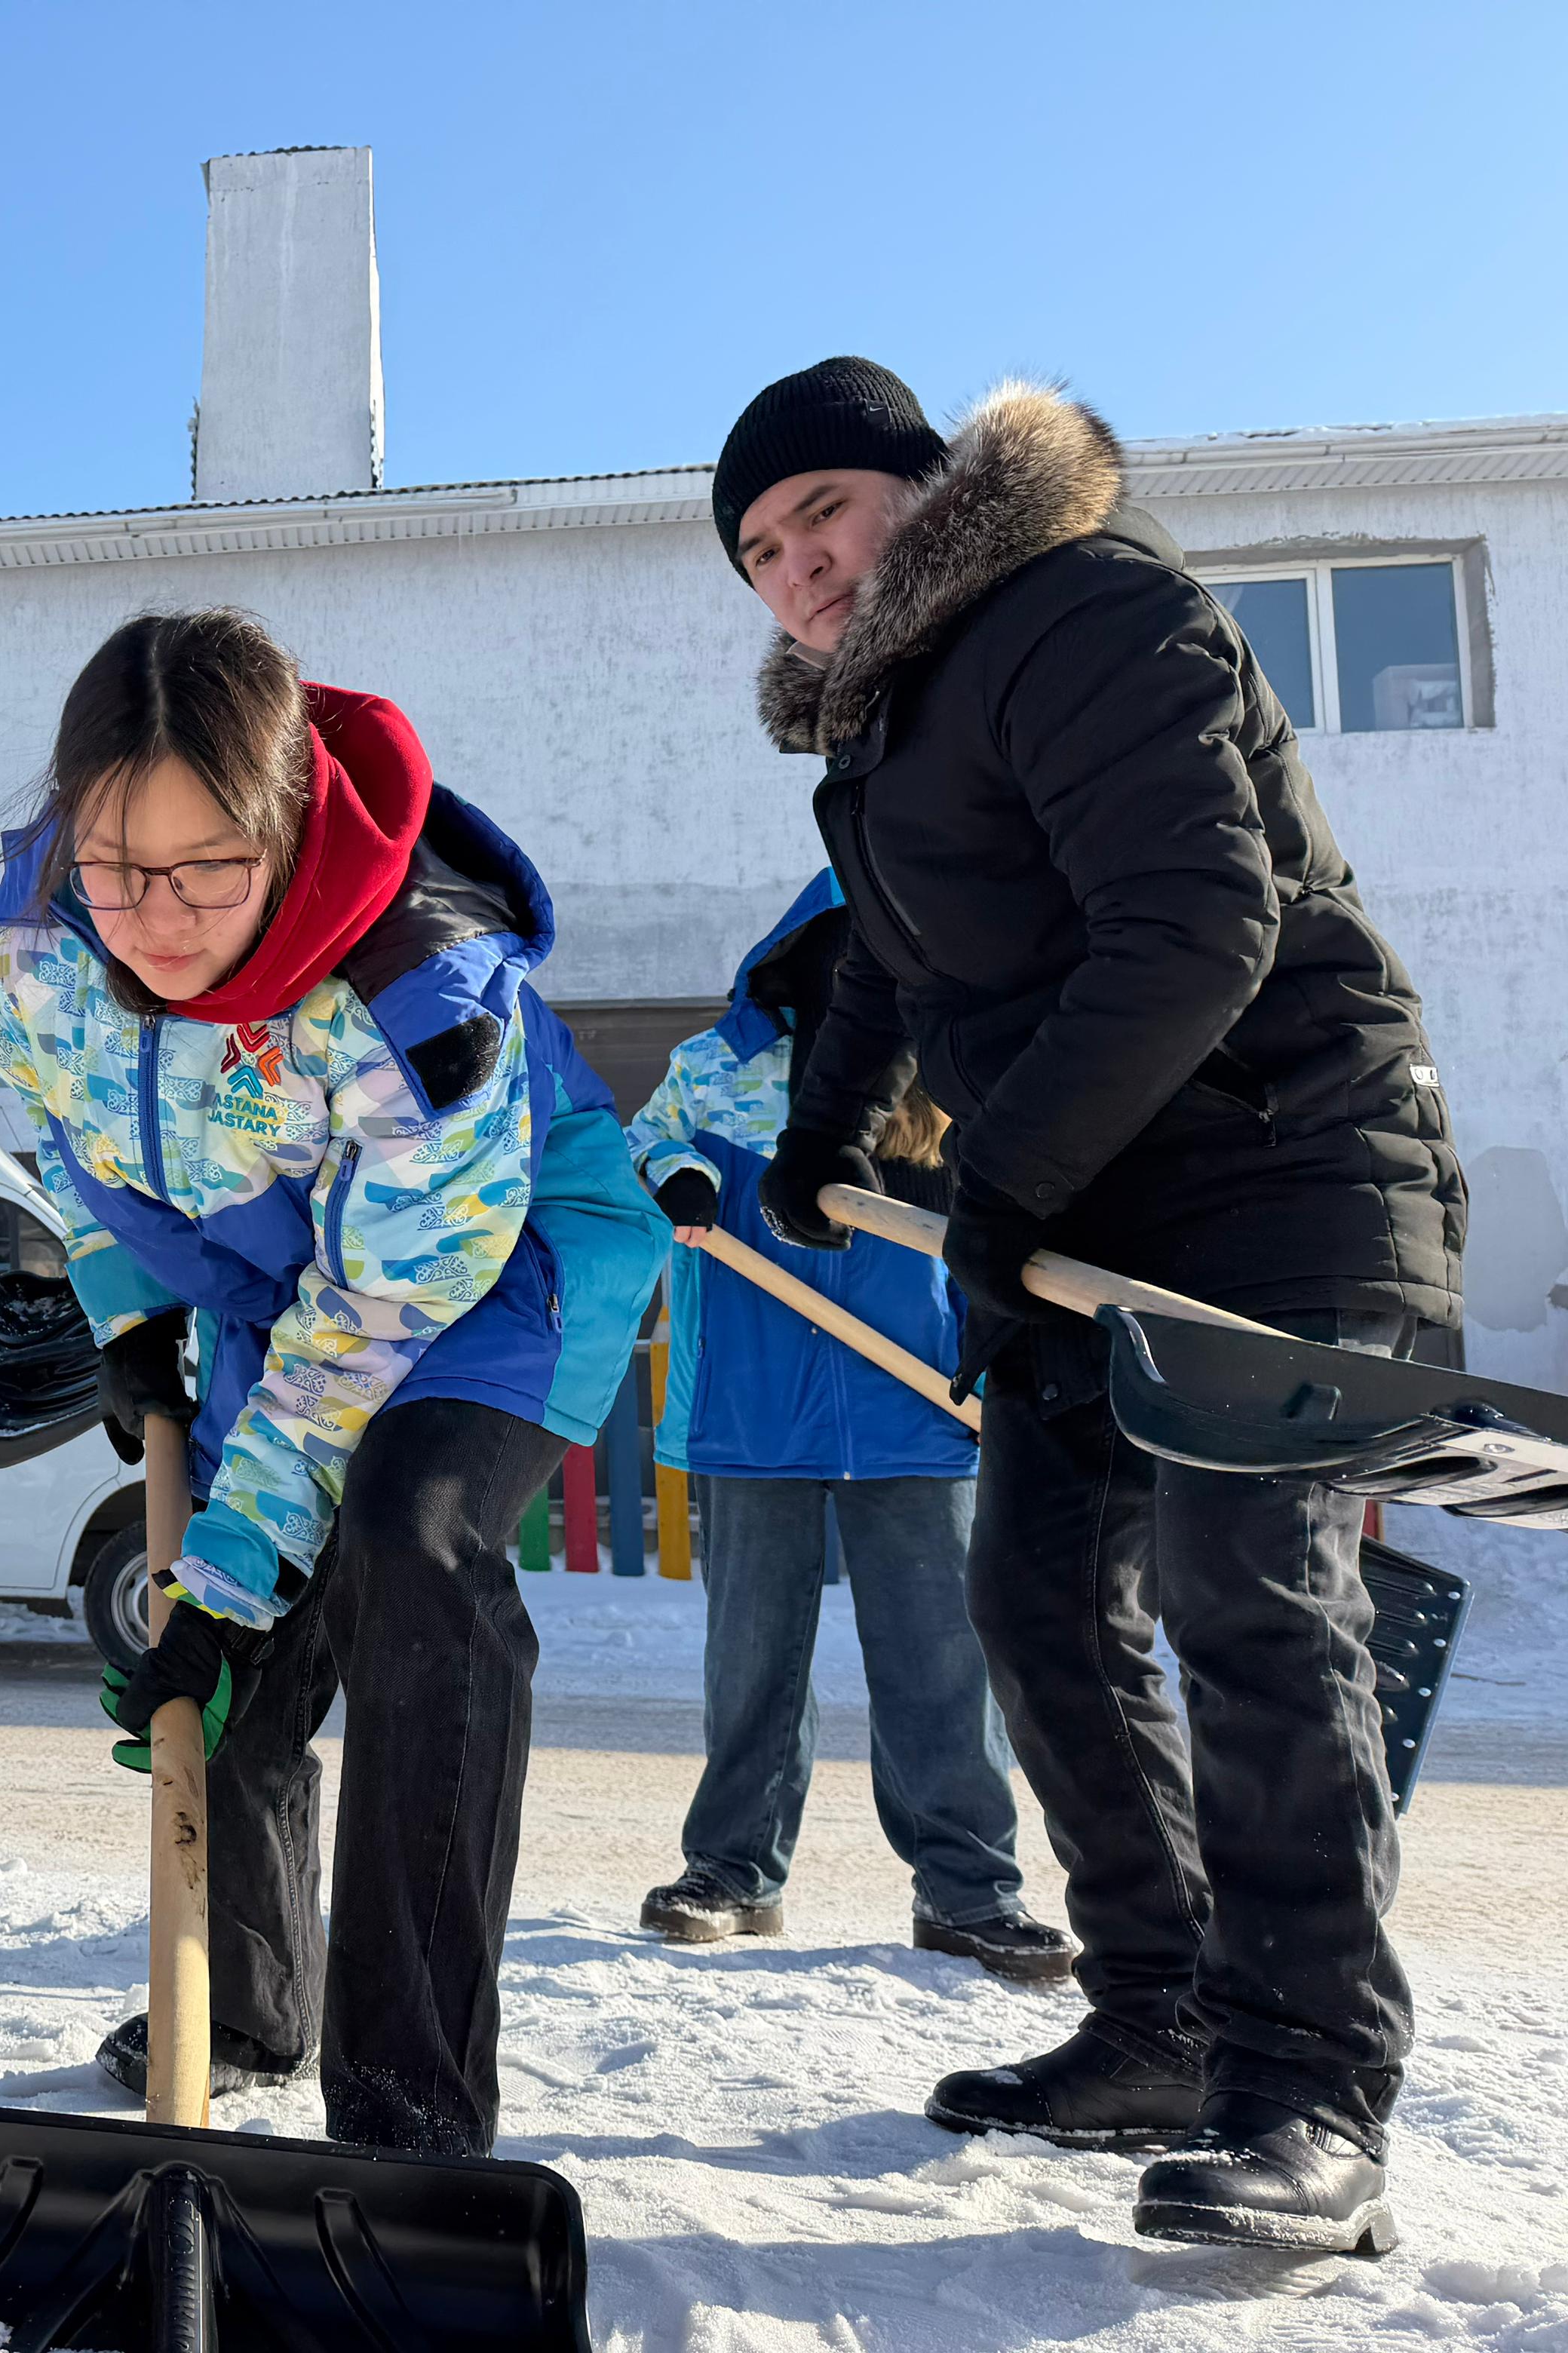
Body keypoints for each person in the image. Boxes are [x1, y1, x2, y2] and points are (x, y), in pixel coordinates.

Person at [715, 357, 1463, 2253]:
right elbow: (881, 969)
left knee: (1248, 1598)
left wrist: (1000, 1183)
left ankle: (1310, 2090)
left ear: (923, 492)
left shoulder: (1079, 606)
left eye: (823, 514)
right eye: (758, 550)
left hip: (1285, 1173)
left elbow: (1193, 925)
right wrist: (821, 1142)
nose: (798, 564)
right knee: (1036, 1605)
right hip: (1095, 1214)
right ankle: (1157, 2016)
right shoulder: (879, 733)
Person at [0, 609, 668, 2155]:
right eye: (115, 864)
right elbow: (67, 1129)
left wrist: (229, 1565)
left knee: (401, 1549)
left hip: (487, 1268)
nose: (154, 916)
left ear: (285, 828)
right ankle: (240, 2001)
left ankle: (408, 2096)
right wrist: (127, 1300)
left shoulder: (421, 1001)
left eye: (209, 866)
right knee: (235, 1658)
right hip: (273, 1267)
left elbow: (372, 1317)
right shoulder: (42, 931)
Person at [626, 872, 1072, 1980]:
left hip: (919, 1406)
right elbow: (647, 1142)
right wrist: (680, 1178)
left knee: (941, 1666)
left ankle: (971, 1890)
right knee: (752, 1663)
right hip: (754, 1405)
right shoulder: (722, 1071)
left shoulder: (961, 1073)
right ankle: (730, 1872)